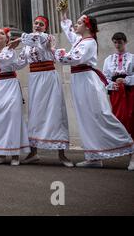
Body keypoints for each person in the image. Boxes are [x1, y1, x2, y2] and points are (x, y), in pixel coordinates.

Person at [55, 11, 134, 170]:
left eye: (79, 22)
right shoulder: (80, 40)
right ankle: (93, 157)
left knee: (101, 115)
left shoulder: (89, 42)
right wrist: (64, 16)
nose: (76, 25)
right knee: (86, 119)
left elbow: (74, 58)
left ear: (87, 26)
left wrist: (55, 51)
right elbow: (70, 32)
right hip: (79, 80)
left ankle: (131, 149)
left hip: (87, 81)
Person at [12, 16, 73, 167]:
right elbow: (18, 64)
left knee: (55, 112)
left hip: (49, 77)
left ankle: (62, 154)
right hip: (34, 79)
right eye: (36, 23)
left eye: (41, 24)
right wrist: (4, 56)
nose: (38, 26)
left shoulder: (47, 38)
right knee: (35, 113)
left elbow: (36, 40)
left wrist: (19, 38)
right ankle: (33, 153)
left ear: (45, 27)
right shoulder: (27, 45)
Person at [0, 28, 30, 166]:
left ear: (7, 39)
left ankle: (15, 154)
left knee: (12, 117)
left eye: (1, 33)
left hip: (9, 85)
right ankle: (1, 153)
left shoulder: (10, 52)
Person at [103, 32, 134, 138]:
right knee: (118, 116)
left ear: (125, 42)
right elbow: (105, 78)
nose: (117, 45)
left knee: (130, 115)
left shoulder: (132, 58)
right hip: (116, 92)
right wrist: (112, 85)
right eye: (115, 42)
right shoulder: (108, 60)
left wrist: (126, 80)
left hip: (130, 90)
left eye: (120, 42)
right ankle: (121, 143)